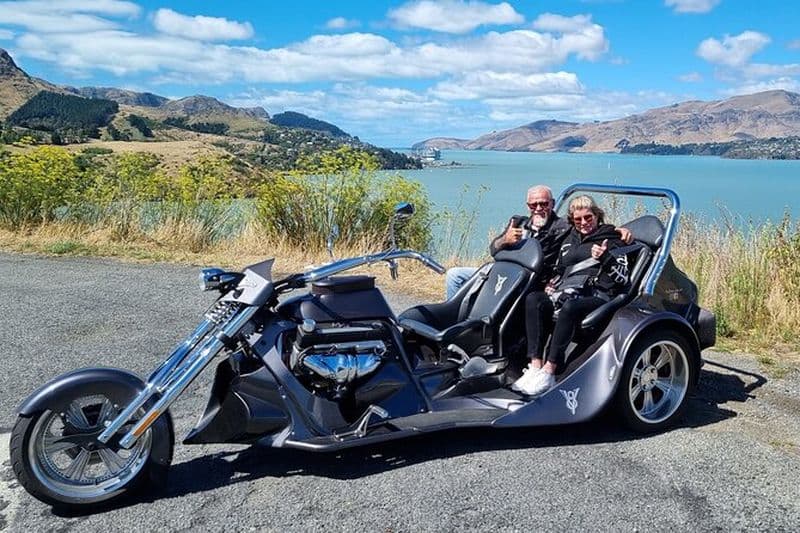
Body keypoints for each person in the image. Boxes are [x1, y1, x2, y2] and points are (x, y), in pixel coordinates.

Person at [512, 195, 631, 397]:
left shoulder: (611, 239)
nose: (584, 223)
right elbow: (560, 268)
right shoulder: (569, 239)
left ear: (597, 216)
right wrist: (552, 283)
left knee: (570, 308)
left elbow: (623, 278)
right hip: (568, 291)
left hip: (598, 295)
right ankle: (535, 366)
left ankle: (550, 371)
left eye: (588, 217)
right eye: (578, 220)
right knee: (534, 299)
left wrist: (605, 258)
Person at [444, 185, 631, 299]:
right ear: (528, 206)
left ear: (552, 203)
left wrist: (619, 231)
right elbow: (493, 249)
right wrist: (504, 240)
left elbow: (589, 226)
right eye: (534, 204)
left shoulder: (563, 227)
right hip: (501, 272)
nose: (539, 208)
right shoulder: (518, 223)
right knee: (455, 275)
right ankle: (455, 320)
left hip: (527, 280)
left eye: (544, 203)